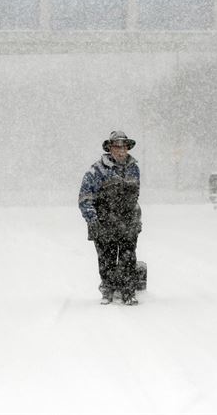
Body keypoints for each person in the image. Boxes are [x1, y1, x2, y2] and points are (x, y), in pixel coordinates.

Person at [78, 131, 142, 305]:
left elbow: (135, 195)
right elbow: (85, 197)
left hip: (128, 221)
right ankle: (108, 289)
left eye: (124, 147)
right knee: (107, 258)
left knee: (128, 257)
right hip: (104, 222)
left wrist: (134, 217)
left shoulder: (134, 168)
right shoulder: (97, 170)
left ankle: (128, 292)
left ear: (128, 148)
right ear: (110, 148)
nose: (121, 150)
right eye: (117, 146)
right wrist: (92, 218)